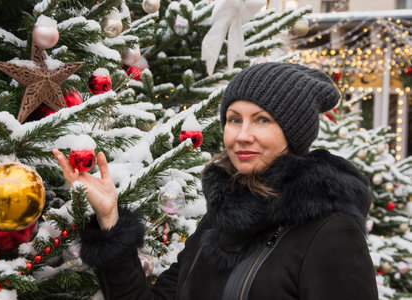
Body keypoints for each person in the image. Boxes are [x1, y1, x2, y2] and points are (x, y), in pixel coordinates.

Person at [53, 62, 378, 300]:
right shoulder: (218, 224)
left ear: (292, 135)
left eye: (262, 120)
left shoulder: (329, 231)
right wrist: (110, 218)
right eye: (234, 119)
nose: (242, 135)